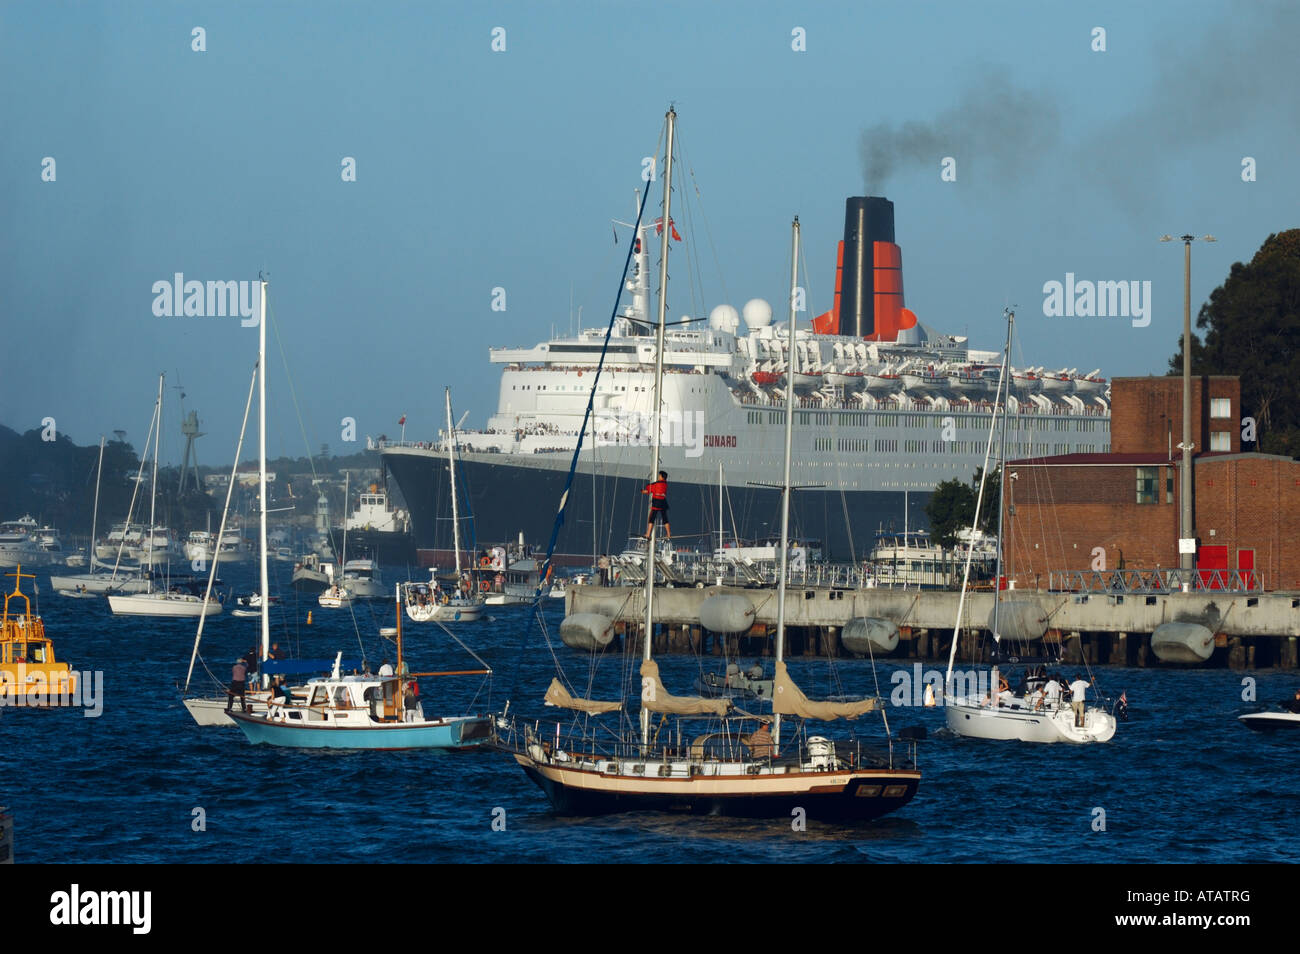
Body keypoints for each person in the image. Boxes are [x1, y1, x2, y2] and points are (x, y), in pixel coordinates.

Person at [642, 470, 671, 540]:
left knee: (652, 518)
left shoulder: (657, 484)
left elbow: (650, 487)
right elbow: (654, 489)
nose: (658, 476)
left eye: (659, 475)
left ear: (661, 477)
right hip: (663, 502)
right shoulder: (665, 484)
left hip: (657, 502)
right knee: (665, 518)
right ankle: (669, 533)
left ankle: (648, 534)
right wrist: (647, 491)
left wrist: (644, 491)